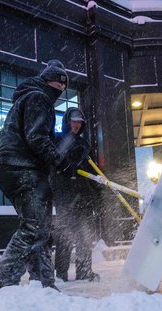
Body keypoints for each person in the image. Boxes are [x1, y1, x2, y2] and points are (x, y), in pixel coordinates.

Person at [0, 60, 70, 290]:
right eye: (59, 83)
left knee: (40, 230)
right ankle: (4, 282)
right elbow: (36, 137)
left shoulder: (25, 99)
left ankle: (45, 284)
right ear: (49, 80)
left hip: (14, 170)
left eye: (65, 87)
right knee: (34, 227)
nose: (61, 90)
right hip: (24, 170)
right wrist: (57, 159)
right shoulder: (39, 98)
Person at [52, 107, 100, 282]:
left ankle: (84, 271)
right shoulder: (58, 141)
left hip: (83, 196)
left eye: (80, 122)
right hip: (65, 197)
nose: (77, 125)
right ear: (67, 121)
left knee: (85, 235)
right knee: (65, 236)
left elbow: (92, 170)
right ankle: (61, 275)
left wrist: (96, 194)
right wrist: (66, 168)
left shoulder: (84, 145)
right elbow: (53, 167)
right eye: (73, 121)